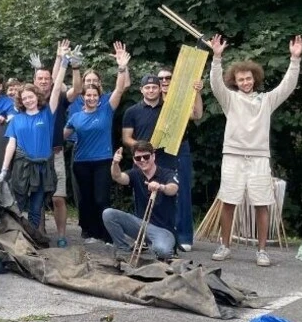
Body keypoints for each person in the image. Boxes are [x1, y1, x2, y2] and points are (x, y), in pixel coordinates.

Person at [207, 34, 302, 267]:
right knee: (228, 201)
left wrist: (294, 59)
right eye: (241, 79)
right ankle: (225, 245)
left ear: (255, 79)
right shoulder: (229, 99)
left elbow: (287, 86)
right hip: (232, 156)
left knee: (262, 203)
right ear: (235, 81)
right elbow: (215, 84)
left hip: (259, 157)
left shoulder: (266, 100)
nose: (245, 82)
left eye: (248, 78)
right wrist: (217, 57)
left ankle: (262, 251)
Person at [122, 70, 203, 251]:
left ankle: (178, 237)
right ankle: (142, 237)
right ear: (141, 90)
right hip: (142, 161)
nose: (151, 90)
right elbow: (126, 138)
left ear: (160, 89)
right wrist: (143, 150)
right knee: (141, 198)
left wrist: (197, 92)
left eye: (154, 87)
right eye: (147, 87)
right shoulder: (132, 111)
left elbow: (196, 115)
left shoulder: (170, 108)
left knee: (171, 195)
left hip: (166, 158)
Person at [65, 42, 131, 244]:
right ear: (83, 97)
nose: (91, 98)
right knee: (85, 200)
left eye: (95, 95)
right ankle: (89, 231)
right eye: (88, 95)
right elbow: (62, 135)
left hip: (103, 161)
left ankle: (106, 233)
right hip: (82, 162)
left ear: (98, 96)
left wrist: (121, 67)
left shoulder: (106, 109)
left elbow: (120, 89)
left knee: (101, 199)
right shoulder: (75, 116)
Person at [0, 41, 67, 229]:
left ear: (37, 97)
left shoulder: (48, 114)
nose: (28, 100)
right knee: (18, 206)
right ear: (20, 101)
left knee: (37, 208)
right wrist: (4, 170)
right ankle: (18, 237)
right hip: (22, 167)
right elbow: (11, 145)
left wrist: (63, 63)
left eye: (31, 96)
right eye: (24, 98)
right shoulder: (16, 119)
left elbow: (56, 86)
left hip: (43, 167)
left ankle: (34, 240)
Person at [105, 142, 179, 260]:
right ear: (134, 160)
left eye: (146, 156)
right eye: (138, 158)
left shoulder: (167, 173)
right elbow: (118, 177)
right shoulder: (135, 173)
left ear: (153, 156)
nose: (142, 160)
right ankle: (124, 250)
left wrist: (161, 187)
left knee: (162, 251)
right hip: (141, 225)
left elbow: (173, 189)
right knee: (108, 214)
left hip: (164, 229)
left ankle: (159, 248)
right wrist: (115, 163)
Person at [32, 57, 70, 247]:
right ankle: (38, 233)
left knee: (58, 198)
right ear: (34, 81)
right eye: (39, 78)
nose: (44, 81)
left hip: (55, 153)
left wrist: (63, 62)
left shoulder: (55, 101)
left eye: (47, 78)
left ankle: (62, 235)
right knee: (36, 196)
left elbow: (57, 88)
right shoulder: (28, 101)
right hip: (35, 155)